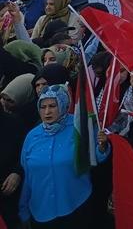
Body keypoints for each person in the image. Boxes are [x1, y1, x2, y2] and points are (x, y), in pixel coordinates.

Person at [19, 85, 109, 227]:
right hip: (42, 212)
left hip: (76, 206)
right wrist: (23, 210)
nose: (47, 112)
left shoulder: (79, 125)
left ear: (63, 105)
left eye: (52, 106)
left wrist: (102, 146)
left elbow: (96, 157)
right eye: (43, 107)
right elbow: (27, 176)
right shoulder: (32, 137)